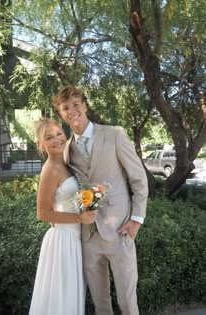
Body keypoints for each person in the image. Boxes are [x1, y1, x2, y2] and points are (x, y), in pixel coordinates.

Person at [52, 86, 148, 315]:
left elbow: (139, 179)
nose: (72, 111)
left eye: (76, 104)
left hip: (120, 230)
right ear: (61, 115)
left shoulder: (114, 134)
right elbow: (65, 189)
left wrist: (136, 219)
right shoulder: (66, 151)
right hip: (88, 237)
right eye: (66, 108)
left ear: (85, 106)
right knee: (100, 304)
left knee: (127, 301)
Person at [29, 118, 97, 315]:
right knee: (60, 298)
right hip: (62, 240)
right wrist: (79, 219)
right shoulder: (49, 170)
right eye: (49, 137)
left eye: (58, 133)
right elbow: (42, 213)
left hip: (75, 239)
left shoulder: (67, 162)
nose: (57, 139)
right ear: (41, 144)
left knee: (70, 295)